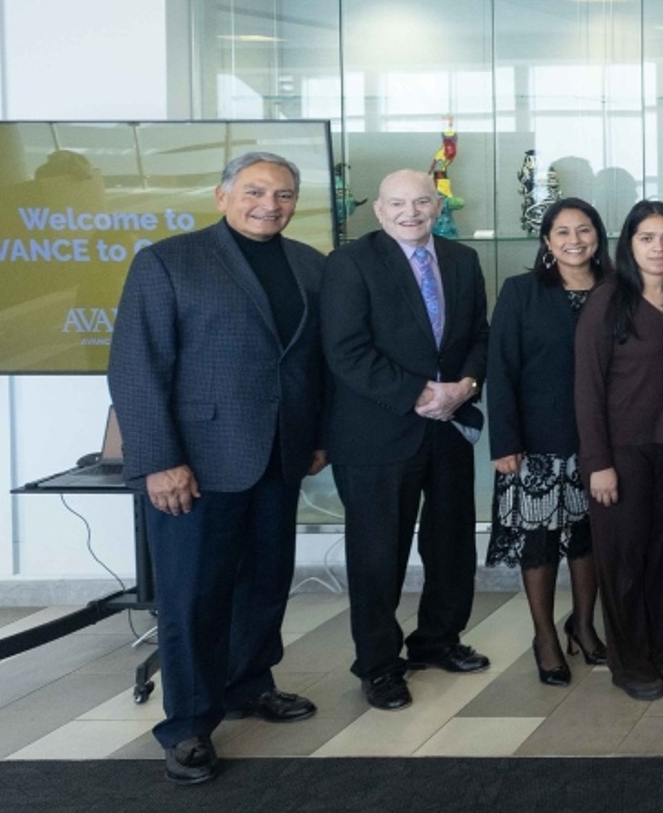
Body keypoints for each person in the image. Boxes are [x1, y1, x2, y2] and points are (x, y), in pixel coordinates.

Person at [108, 152, 327, 785]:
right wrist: (159, 461)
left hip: (279, 457)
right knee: (192, 597)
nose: (270, 204)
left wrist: (313, 437)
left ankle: (247, 684)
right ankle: (187, 728)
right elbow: (135, 368)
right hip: (195, 466)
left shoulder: (309, 265)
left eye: (283, 194)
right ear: (221, 195)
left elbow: (309, 363)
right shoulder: (168, 260)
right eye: (255, 191)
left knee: (264, 583)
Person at [322, 169, 492, 712]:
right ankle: (378, 665)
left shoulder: (462, 261)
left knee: (451, 543)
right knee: (378, 554)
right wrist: (420, 394)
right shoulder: (350, 264)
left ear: (437, 206)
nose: (410, 212)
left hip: (449, 427)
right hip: (378, 431)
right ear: (379, 210)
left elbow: (479, 337)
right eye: (398, 203)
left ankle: (437, 640)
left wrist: (466, 385)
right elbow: (345, 349)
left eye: (422, 202)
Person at [486, 198, 609, 687]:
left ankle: (582, 623)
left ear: (598, 237)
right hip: (536, 442)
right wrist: (505, 442)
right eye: (562, 232)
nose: (574, 240)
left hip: (600, 440)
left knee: (589, 538)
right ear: (547, 241)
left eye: (584, 230)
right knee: (539, 544)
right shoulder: (521, 292)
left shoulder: (615, 290)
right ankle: (544, 636)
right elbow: (501, 369)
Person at [576, 200, 663, 700]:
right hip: (620, 451)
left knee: (655, 556)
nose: (659, 248)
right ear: (628, 245)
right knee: (622, 560)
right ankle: (627, 661)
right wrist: (598, 464)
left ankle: (654, 649)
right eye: (647, 238)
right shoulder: (608, 301)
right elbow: (587, 387)